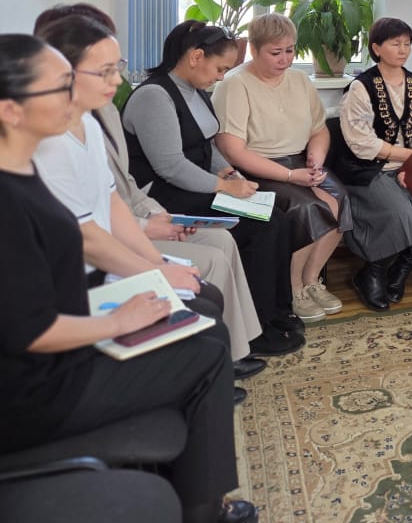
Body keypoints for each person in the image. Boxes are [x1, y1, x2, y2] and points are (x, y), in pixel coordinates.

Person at [0, 33, 256, 523]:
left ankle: (192, 489)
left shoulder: (23, 170)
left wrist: (155, 276)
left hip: (68, 336)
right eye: (59, 87)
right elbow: (30, 330)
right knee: (204, 350)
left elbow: (107, 212)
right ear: (11, 110)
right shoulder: (11, 199)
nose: (72, 94)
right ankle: (203, 509)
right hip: (37, 390)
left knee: (200, 319)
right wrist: (122, 320)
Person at [30, 16, 226, 335]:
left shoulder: (90, 124)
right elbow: (87, 235)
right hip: (78, 279)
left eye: (116, 66)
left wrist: (159, 266)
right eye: (105, 71)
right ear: (62, 71)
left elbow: (114, 201)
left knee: (208, 299)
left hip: (109, 257)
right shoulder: (49, 142)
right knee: (204, 310)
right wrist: (156, 271)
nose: (118, 81)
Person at [122, 19, 304, 358]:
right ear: (196, 57)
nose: (221, 77)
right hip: (163, 195)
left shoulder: (194, 91)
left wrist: (227, 171)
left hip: (196, 185)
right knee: (260, 228)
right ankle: (259, 327)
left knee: (278, 217)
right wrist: (224, 188)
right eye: (219, 68)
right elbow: (171, 166)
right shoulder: (154, 96)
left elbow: (206, 145)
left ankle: (278, 312)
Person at [213, 14, 352, 323]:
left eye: (290, 51)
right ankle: (291, 289)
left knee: (339, 200)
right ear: (253, 49)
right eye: (275, 53)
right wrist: (291, 176)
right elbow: (232, 150)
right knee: (308, 208)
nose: (285, 59)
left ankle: (310, 279)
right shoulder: (234, 84)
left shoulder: (300, 80)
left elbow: (319, 129)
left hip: (300, 163)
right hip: (257, 169)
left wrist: (316, 156)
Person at [335, 17, 412, 311]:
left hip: (410, 161)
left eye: (407, 44)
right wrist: (407, 157)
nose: (403, 50)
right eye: (395, 43)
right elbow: (360, 141)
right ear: (376, 48)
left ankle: (401, 269)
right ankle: (372, 272)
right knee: (398, 211)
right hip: (369, 167)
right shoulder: (361, 88)